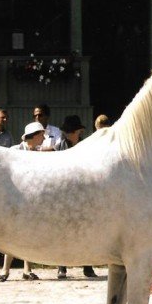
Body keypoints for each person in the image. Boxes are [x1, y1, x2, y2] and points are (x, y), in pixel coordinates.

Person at [0, 122, 46, 282]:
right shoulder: (15, 151)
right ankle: (5, 270)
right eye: (41, 135)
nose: (44, 138)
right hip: (15, 199)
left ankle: (27, 270)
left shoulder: (40, 153)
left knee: (29, 235)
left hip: (32, 200)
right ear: (34, 135)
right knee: (12, 235)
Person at [54, 115, 98, 279]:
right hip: (64, 192)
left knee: (86, 231)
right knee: (63, 231)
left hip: (83, 192)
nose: (78, 133)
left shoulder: (86, 146)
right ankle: (62, 266)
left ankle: (87, 266)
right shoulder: (59, 147)